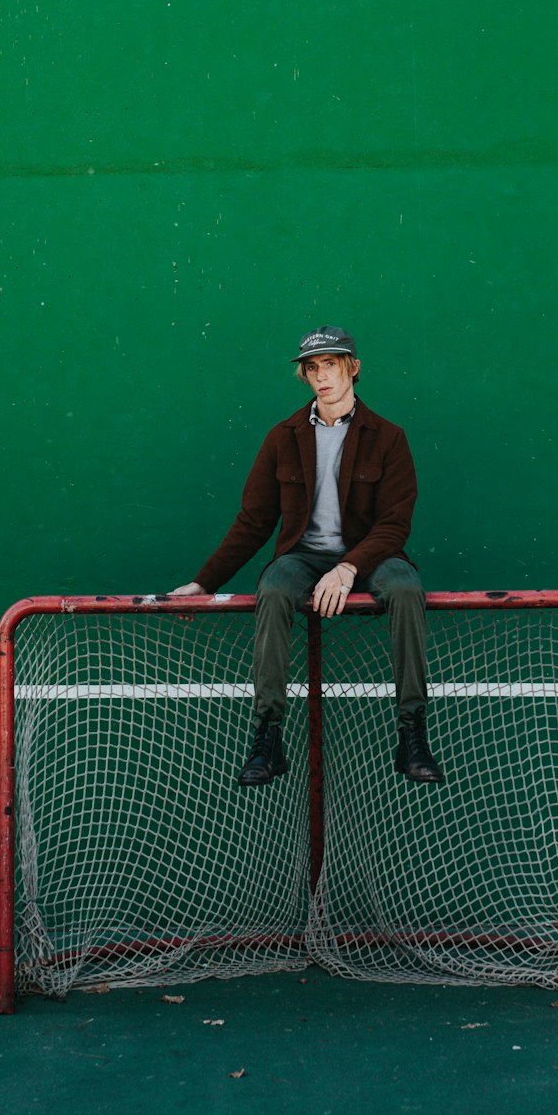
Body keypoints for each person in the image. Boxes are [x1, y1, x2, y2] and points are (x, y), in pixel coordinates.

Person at [171, 326, 445, 787]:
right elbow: (254, 521)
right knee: (274, 588)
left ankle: (412, 732)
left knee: (404, 587)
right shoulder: (283, 437)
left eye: (331, 365)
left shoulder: (389, 437)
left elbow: (394, 524)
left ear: (353, 368)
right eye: (312, 368)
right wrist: (204, 582)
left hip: (371, 558)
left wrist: (348, 567)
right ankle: (268, 735)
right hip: (303, 557)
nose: (322, 376)